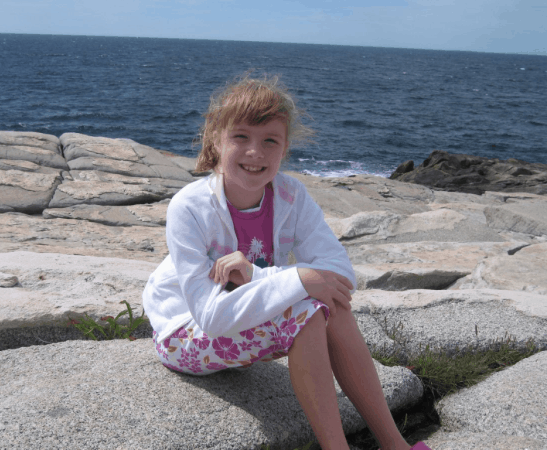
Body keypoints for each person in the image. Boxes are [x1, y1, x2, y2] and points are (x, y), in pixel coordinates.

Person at [142, 75, 431, 450]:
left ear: (285, 148)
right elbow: (210, 316)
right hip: (185, 333)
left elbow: (340, 276)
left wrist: (263, 274)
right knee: (306, 307)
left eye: (270, 141)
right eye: (241, 137)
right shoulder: (190, 207)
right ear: (216, 139)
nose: (255, 152)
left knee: (331, 302)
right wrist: (300, 279)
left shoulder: (291, 196)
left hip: (246, 318)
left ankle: (395, 445)